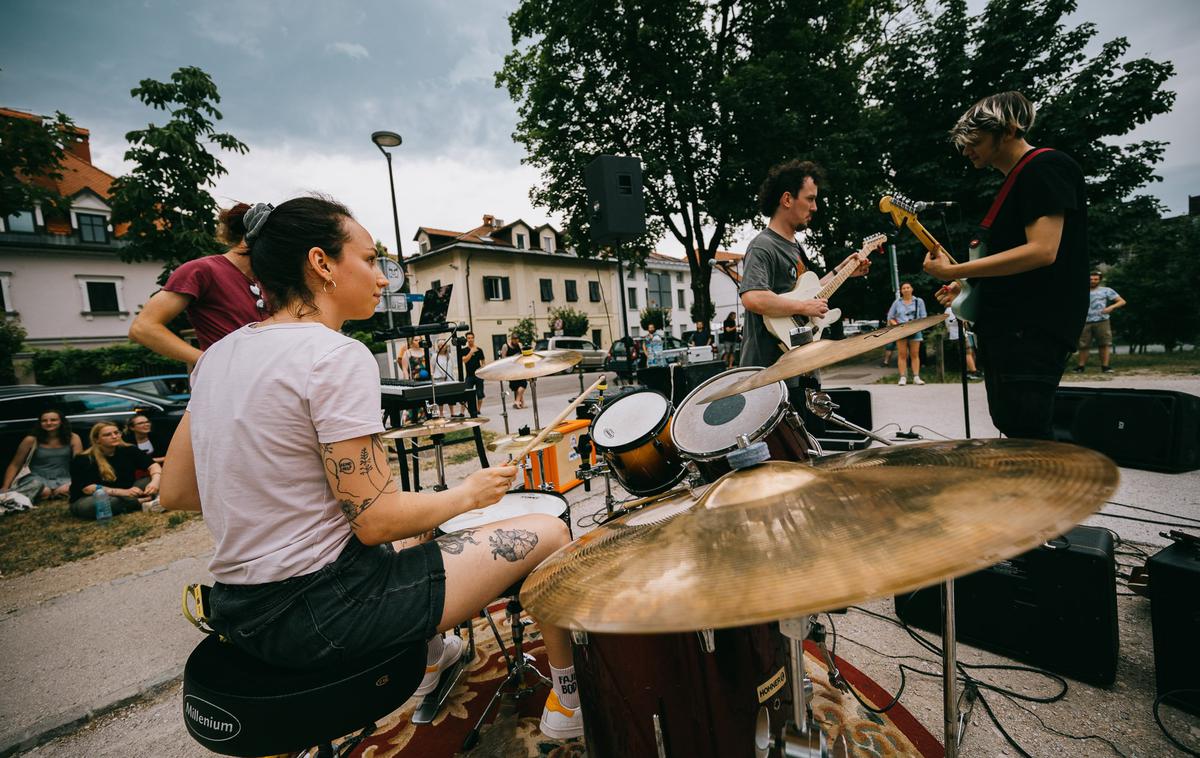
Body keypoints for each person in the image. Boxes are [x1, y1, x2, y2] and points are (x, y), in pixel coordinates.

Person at [158, 197, 583, 738]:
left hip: (240, 611)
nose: (384, 279)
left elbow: (175, 490)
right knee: (550, 530)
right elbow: (376, 519)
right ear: (322, 263)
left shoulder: (216, 356)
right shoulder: (334, 355)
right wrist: (471, 493)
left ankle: (434, 656)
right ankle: (570, 702)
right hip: (325, 611)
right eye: (370, 259)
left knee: (421, 529)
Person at [926, 91, 1088, 439]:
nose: (967, 150)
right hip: (1012, 328)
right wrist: (968, 285)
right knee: (1014, 426)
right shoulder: (1019, 179)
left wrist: (957, 271)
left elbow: (1042, 251)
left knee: (1027, 433)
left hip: (1030, 328)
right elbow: (1017, 262)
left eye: (976, 140)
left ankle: (1047, 493)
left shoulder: (1045, 167)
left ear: (1010, 129)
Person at [738, 160, 870, 395]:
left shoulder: (794, 247)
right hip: (771, 376)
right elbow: (754, 297)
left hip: (801, 371)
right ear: (787, 199)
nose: (815, 207)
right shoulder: (763, 246)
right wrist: (803, 306)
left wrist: (843, 271)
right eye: (810, 199)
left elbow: (809, 293)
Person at [129, 203, 267, 367]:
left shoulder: (266, 279)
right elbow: (142, 328)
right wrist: (208, 362)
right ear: (252, 236)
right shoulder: (202, 270)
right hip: (227, 384)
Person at [69, 421, 161, 519]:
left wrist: (154, 482)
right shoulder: (83, 459)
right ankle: (143, 501)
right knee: (93, 506)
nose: (114, 436)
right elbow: (88, 488)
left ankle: (145, 501)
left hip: (129, 490)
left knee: (161, 479)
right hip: (92, 497)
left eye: (116, 433)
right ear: (97, 439)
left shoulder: (129, 450)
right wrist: (123, 492)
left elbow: (153, 465)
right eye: (107, 435)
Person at [2, 409, 82, 502]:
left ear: (61, 421)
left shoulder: (73, 438)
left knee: (64, 490)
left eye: (53, 420)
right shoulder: (31, 440)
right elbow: (15, 464)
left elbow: (79, 463)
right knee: (45, 491)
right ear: (39, 423)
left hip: (64, 478)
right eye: (44, 421)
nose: (48, 423)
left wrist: (79, 481)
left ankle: (56, 493)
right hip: (36, 478)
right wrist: (5, 487)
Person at [1075, 270, 1125, 373]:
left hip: (1102, 320)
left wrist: (1111, 307)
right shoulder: (1080, 290)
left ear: (1100, 280)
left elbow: (1122, 301)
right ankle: (1080, 367)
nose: (1093, 281)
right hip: (1085, 321)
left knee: (1104, 343)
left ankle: (1105, 367)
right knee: (1083, 344)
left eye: (1095, 279)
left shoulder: (1106, 290)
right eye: (1091, 279)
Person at [887, 283, 928, 386]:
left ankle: (916, 377)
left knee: (915, 354)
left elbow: (924, 316)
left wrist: (917, 326)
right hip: (901, 331)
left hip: (915, 330)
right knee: (902, 355)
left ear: (912, 289)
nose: (906, 290)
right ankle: (903, 377)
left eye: (908, 287)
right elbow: (890, 317)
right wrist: (897, 325)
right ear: (901, 290)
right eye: (903, 288)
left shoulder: (919, 301)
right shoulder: (897, 302)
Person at [944, 307, 981, 380]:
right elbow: (953, 322)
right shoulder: (950, 310)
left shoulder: (956, 308)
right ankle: (973, 371)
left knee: (970, 352)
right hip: (958, 334)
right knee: (967, 352)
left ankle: (970, 371)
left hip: (965, 333)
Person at [500, 333, 527, 409]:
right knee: (516, 387)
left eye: (517, 339)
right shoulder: (505, 346)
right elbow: (503, 359)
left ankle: (517, 401)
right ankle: (520, 403)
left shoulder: (520, 345)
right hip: (511, 369)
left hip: (519, 369)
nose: (516, 341)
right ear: (511, 339)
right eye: (514, 339)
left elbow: (523, 355)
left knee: (523, 384)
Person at [461, 331, 486, 412]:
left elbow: (483, 362)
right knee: (466, 393)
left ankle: (478, 410)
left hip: (478, 375)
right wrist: (471, 352)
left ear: (474, 338)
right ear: (466, 339)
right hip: (469, 375)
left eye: (472, 338)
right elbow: (464, 360)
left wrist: (483, 372)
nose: (470, 340)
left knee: (480, 394)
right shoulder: (464, 350)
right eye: (468, 338)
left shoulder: (479, 350)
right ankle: (462, 412)